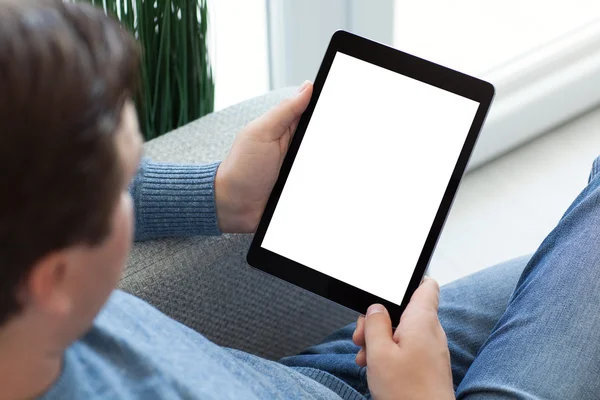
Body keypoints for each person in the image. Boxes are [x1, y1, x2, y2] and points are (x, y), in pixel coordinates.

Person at [1, 1, 599, 399]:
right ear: (53, 279)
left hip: (311, 379)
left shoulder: (30, 315)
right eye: (122, 185)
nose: (132, 189)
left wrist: (218, 197)